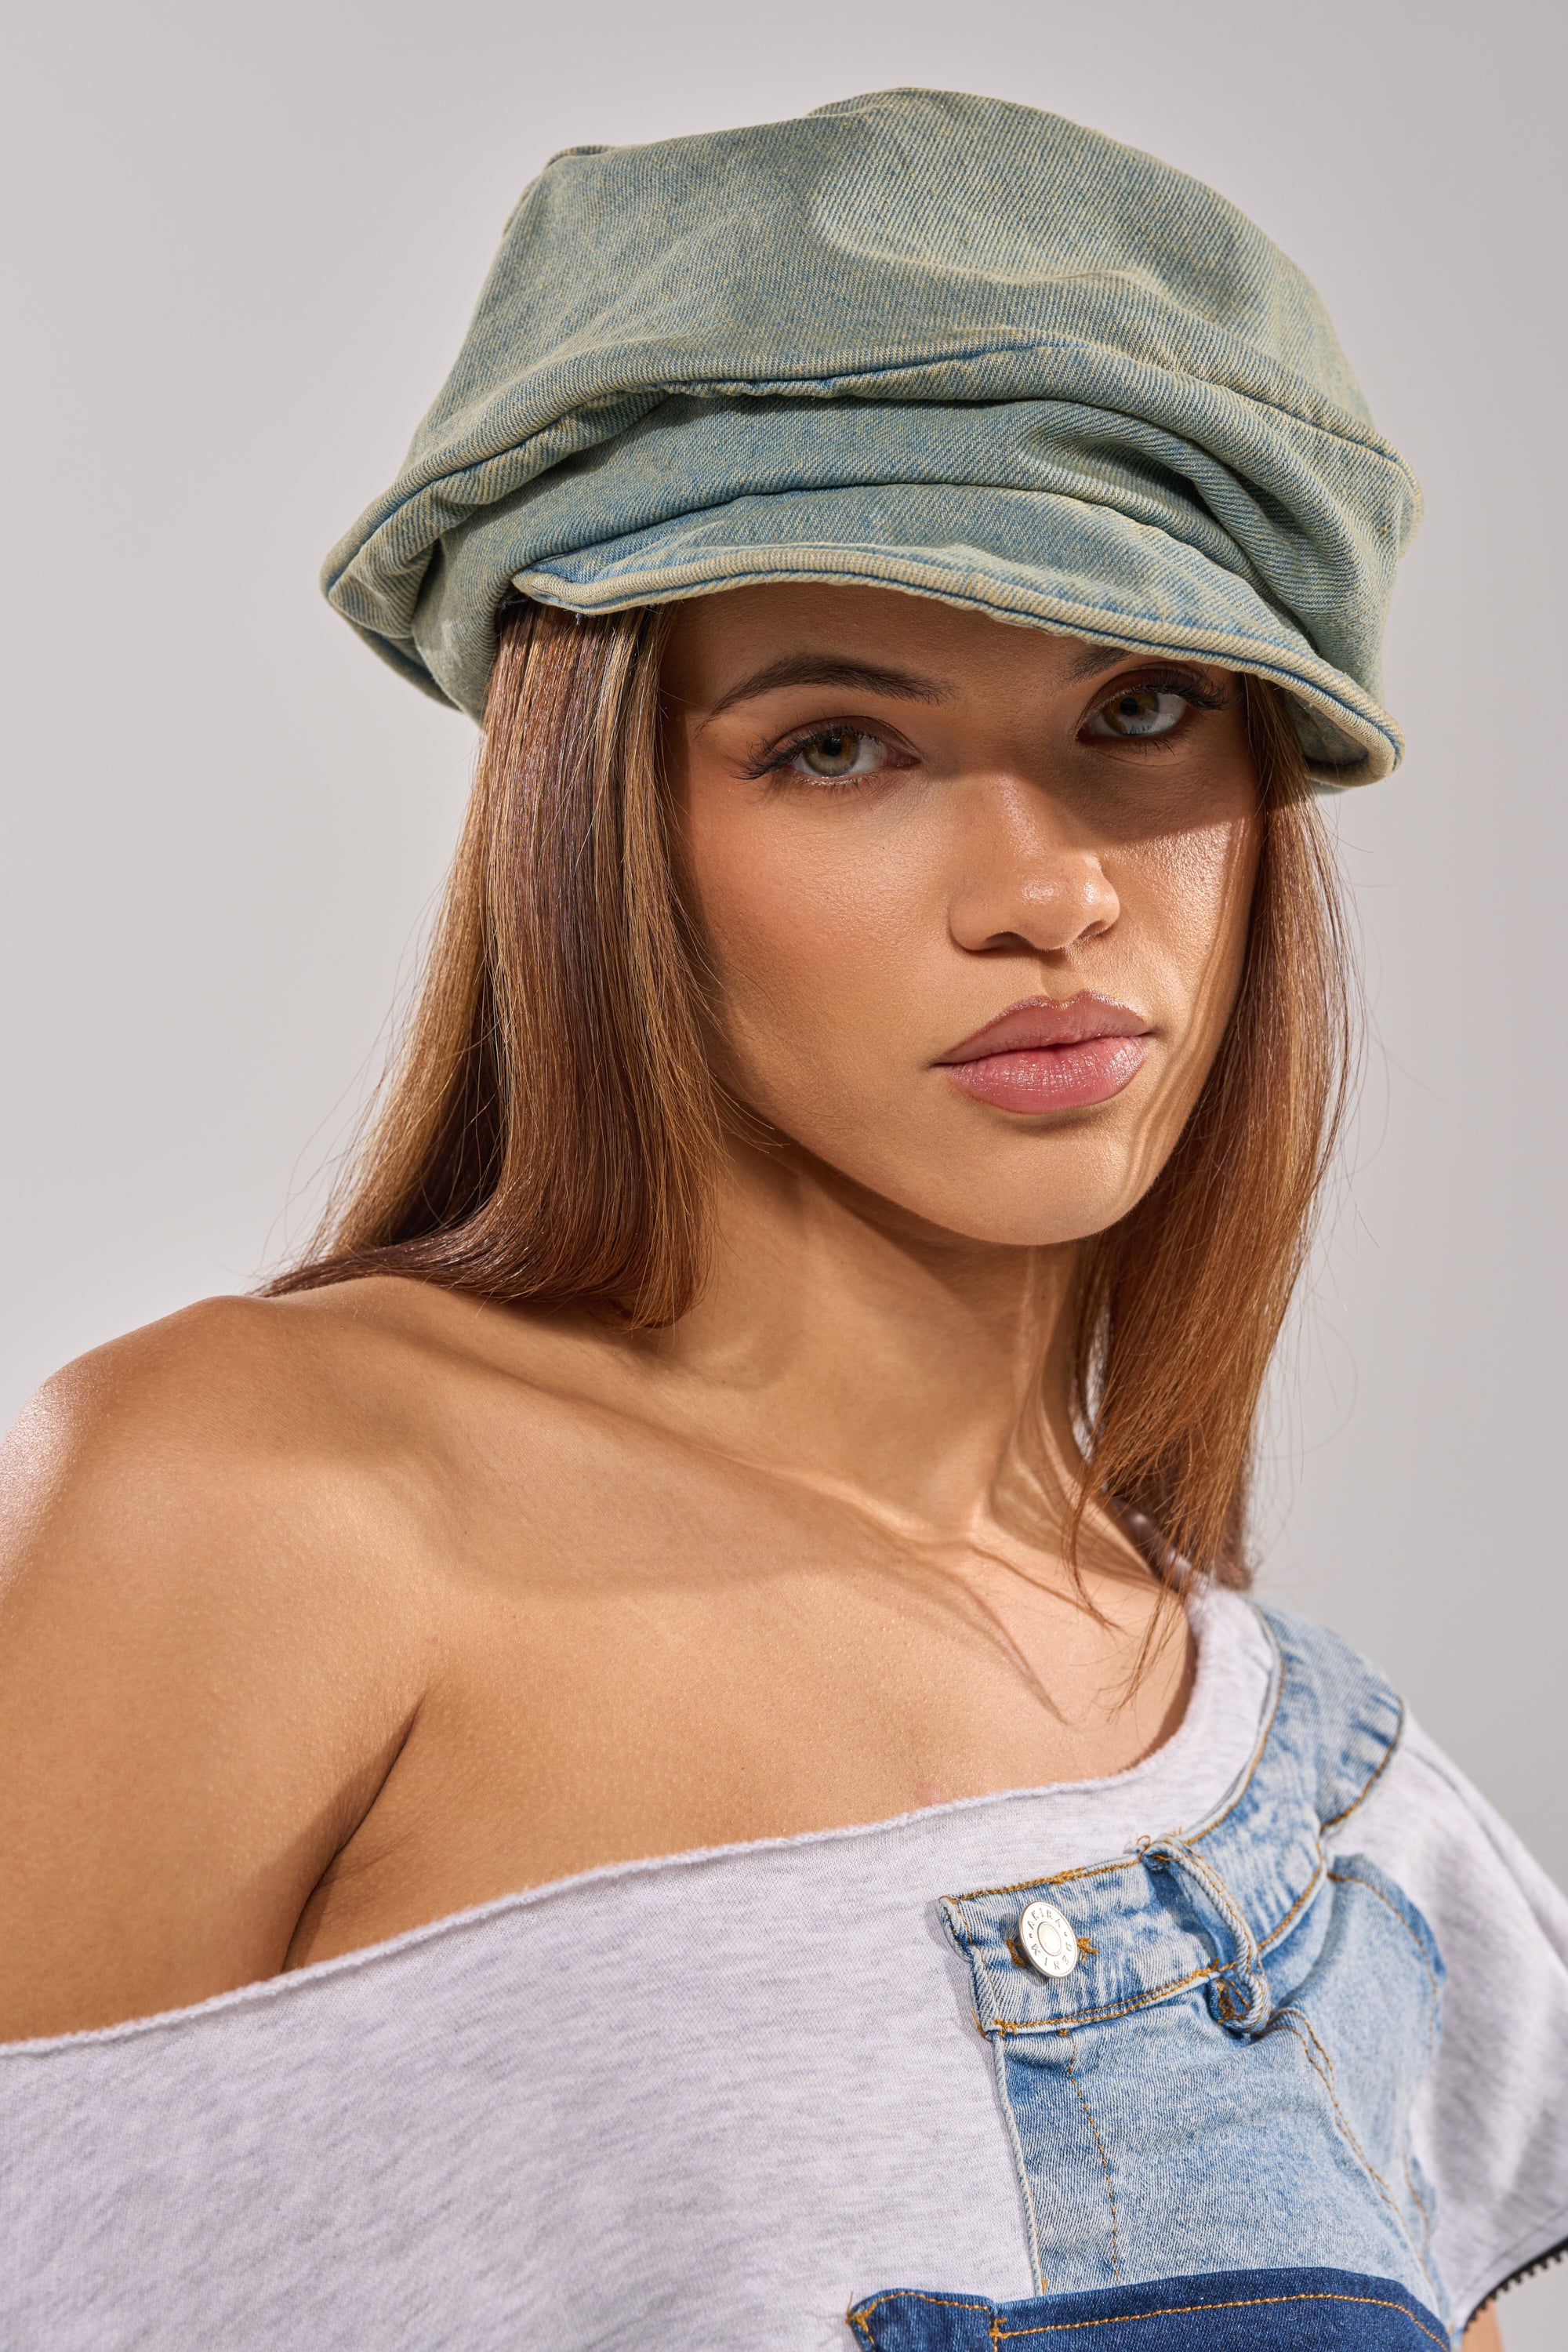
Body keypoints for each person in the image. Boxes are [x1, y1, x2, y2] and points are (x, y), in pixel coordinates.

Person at [0, 86, 1562, 2352]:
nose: (1053, 894)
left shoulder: (1354, 1830)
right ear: (601, 815)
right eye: (843, 742)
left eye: (1143, 709)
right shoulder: (260, 1509)